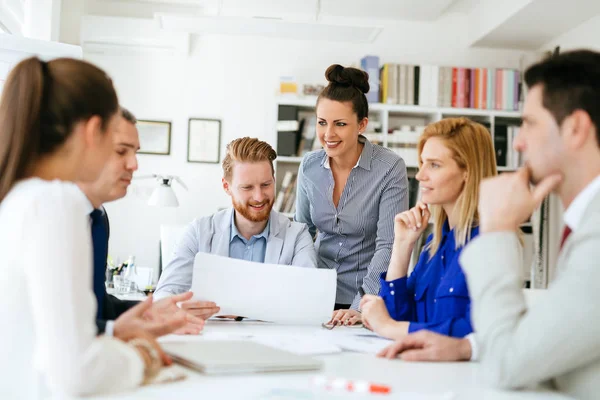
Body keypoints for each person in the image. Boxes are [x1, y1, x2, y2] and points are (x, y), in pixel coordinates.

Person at [379, 49, 600, 400]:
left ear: (576, 129)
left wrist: (497, 230)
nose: (518, 142)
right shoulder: (584, 224)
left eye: (529, 123)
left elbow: (507, 363)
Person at [0, 57, 179, 399]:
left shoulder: (18, 198)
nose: (133, 162)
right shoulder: (55, 203)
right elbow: (77, 373)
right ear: (93, 130)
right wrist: (143, 355)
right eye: (115, 138)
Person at [354, 118, 496, 344]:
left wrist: (389, 326)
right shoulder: (434, 246)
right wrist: (402, 246)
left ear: (467, 171)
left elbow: (475, 331)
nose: (420, 175)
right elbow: (397, 317)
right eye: (422, 163)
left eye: (434, 165)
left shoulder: (490, 246)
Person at [154, 137, 317, 317]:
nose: (259, 196)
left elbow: (309, 301)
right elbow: (163, 296)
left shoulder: (297, 236)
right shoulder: (199, 232)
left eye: (266, 185)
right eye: (247, 187)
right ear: (227, 186)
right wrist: (181, 309)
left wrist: (237, 308)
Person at [77, 107, 204, 337]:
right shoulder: (52, 215)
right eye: (121, 151)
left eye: (135, 152)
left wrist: (149, 310)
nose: (134, 164)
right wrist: (116, 331)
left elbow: (97, 306)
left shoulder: (98, 218)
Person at [296, 64, 408, 316]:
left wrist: (361, 307)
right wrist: (301, 289)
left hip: (366, 298)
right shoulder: (309, 166)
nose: (328, 134)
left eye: (340, 124)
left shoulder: (390, 168)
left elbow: (388, 245)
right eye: (322, 122)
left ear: (362, 125)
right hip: (314, 295)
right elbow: (301, 233)